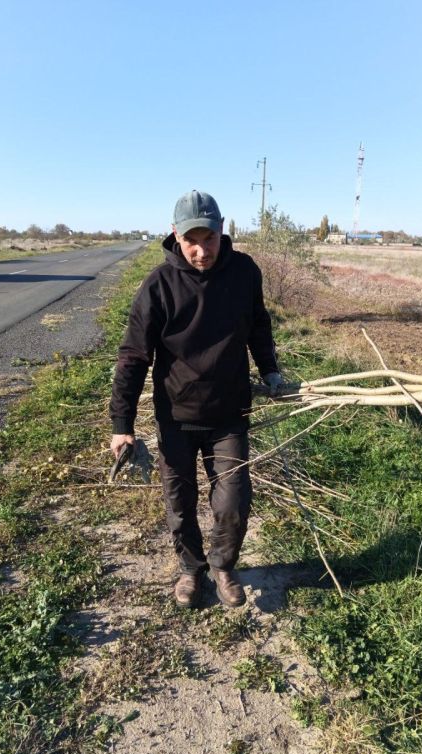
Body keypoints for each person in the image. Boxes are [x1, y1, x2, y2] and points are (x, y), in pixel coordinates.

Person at [110, 190, 282, 609]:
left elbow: (258, 324)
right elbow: (134, 355)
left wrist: (270, 368)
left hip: (229, 413)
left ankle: (223, 566)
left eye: (209, 239)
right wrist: (122, 425)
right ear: (175, 235)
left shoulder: (244, 272)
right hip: (176, 416)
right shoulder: (159, 285)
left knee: (234, 501)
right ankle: (191, 569)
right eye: (192, 240)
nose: (201, 250)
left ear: (223, 232)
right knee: (180, 503)